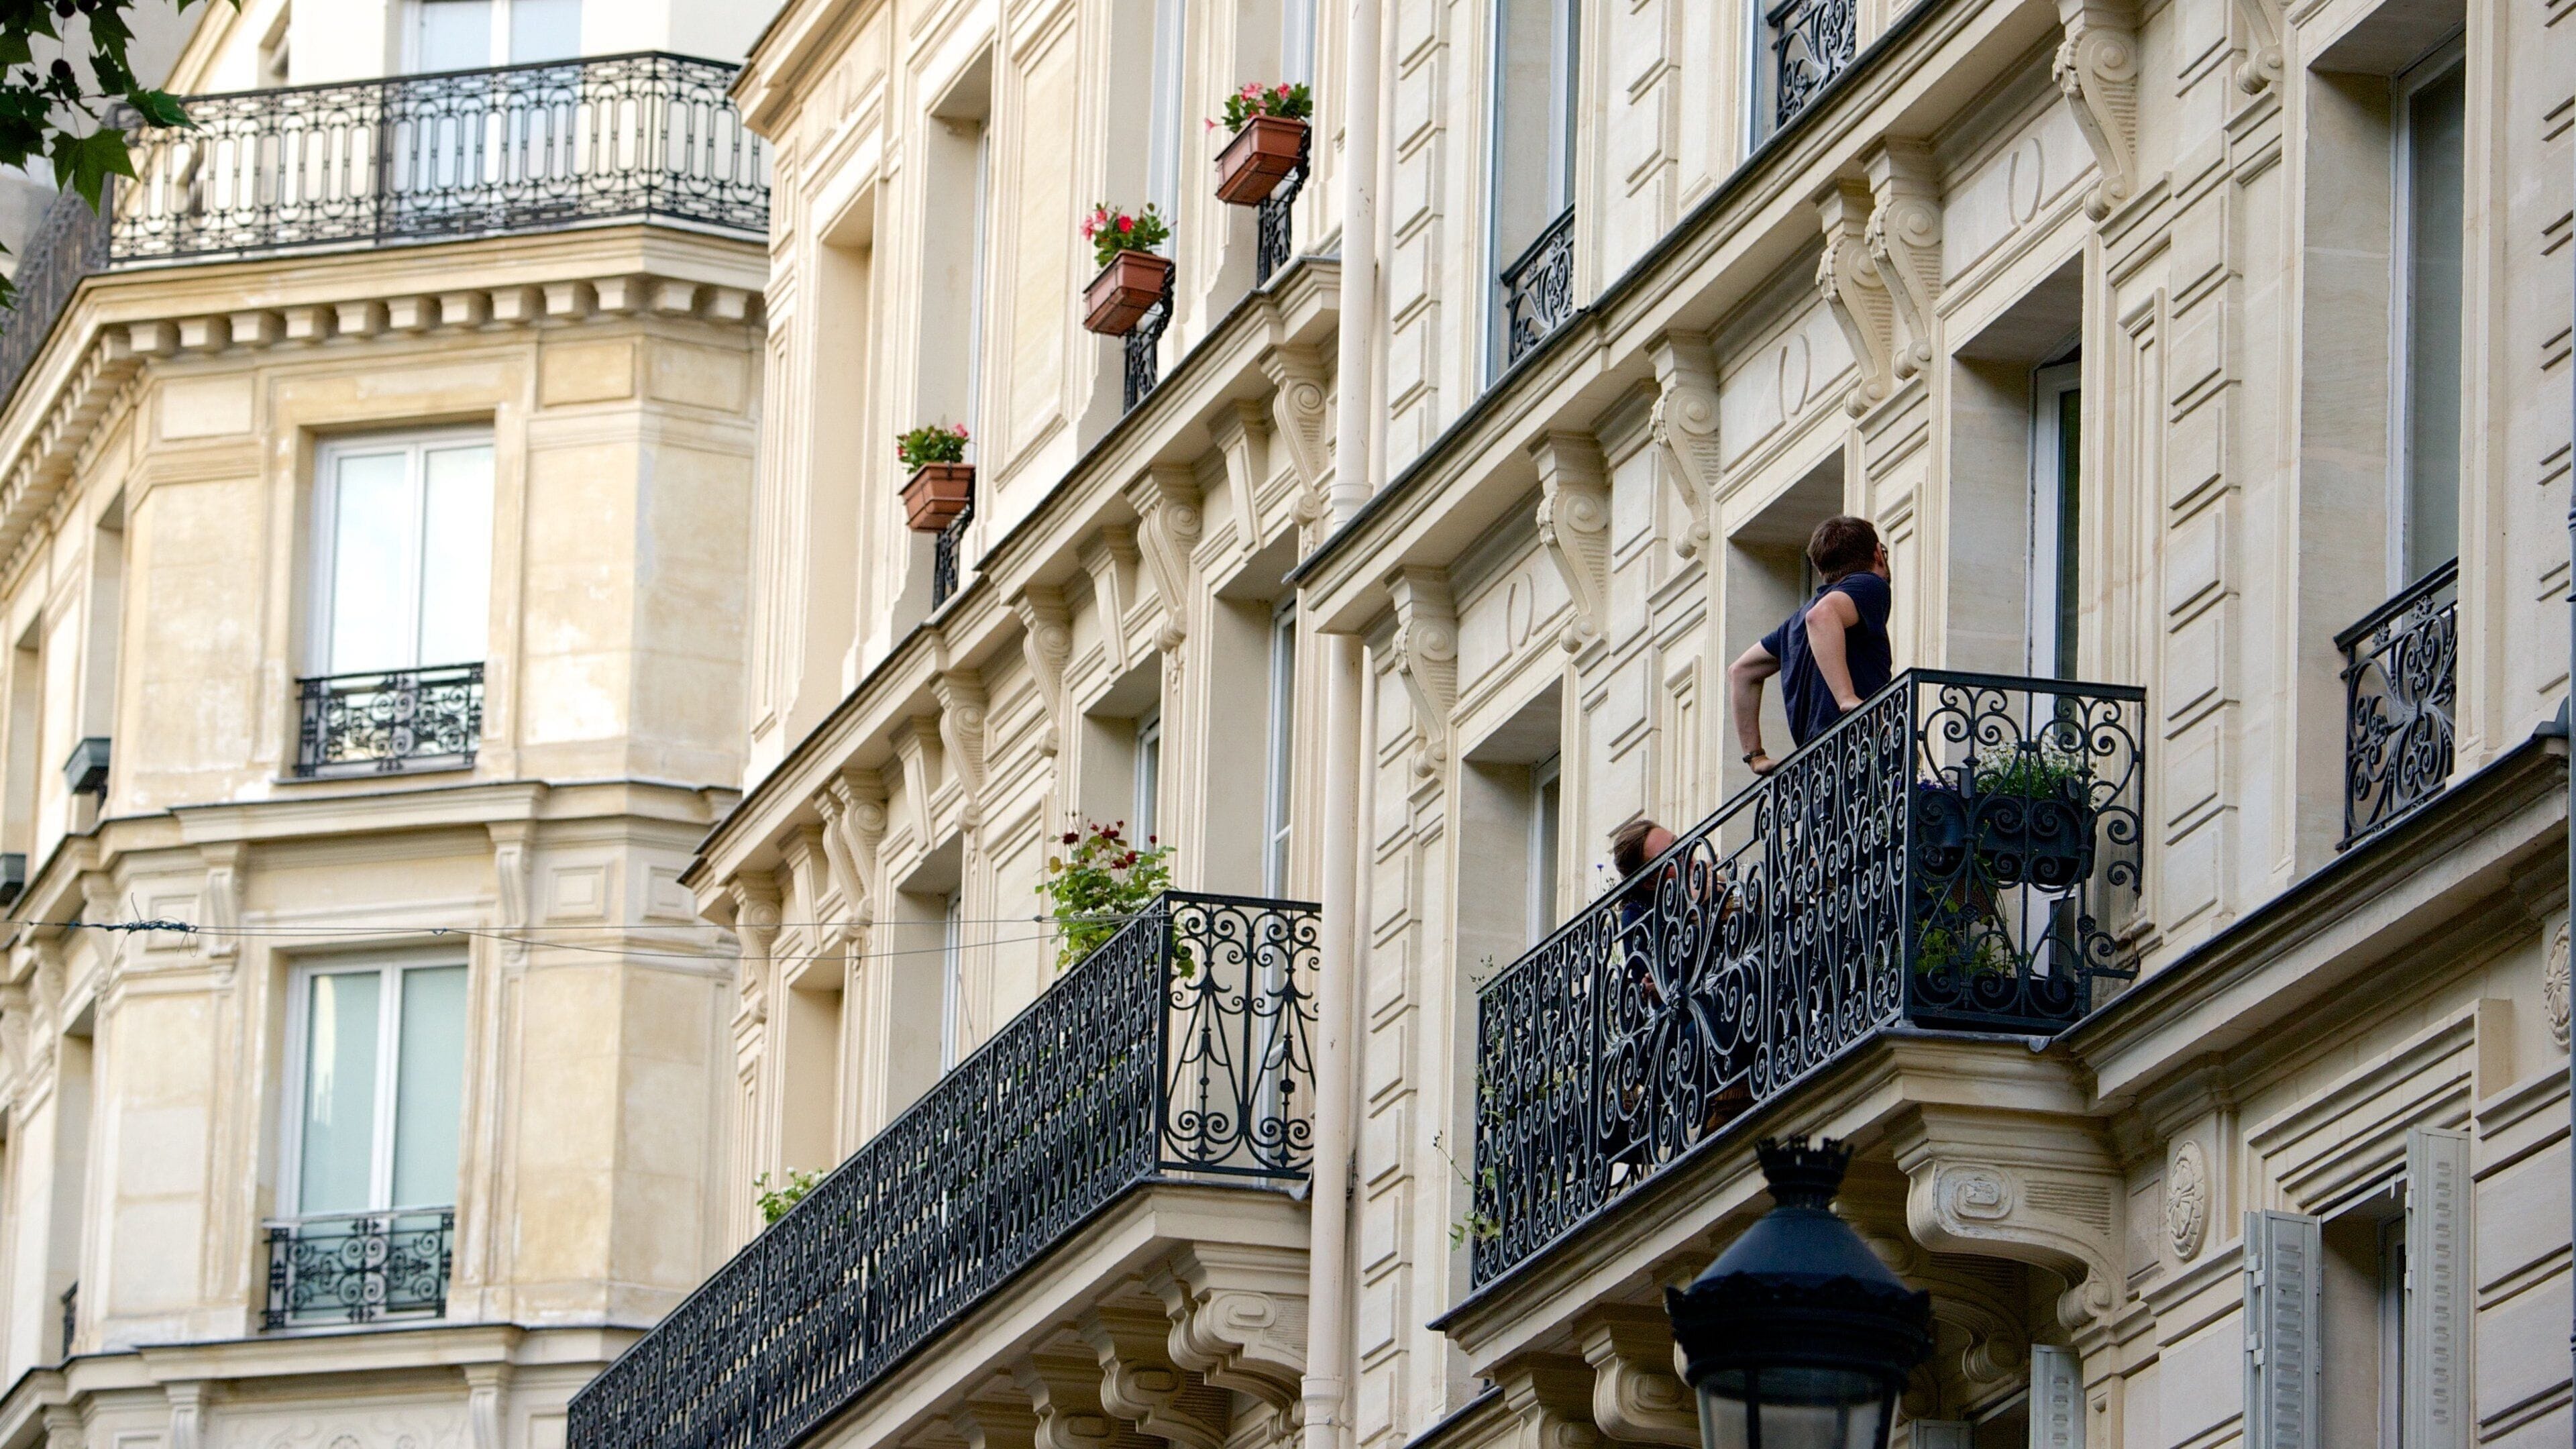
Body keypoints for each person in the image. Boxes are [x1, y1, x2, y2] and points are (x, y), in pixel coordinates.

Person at [1726, 515, 1893, 775]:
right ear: (1878, 554)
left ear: (1820, 570)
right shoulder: (1870, 584)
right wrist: (1847, 698)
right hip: (1860, 754)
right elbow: (1822, 617)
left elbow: (1741, 672)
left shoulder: (1794, 624)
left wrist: (1755, 757)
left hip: (1818, 771)